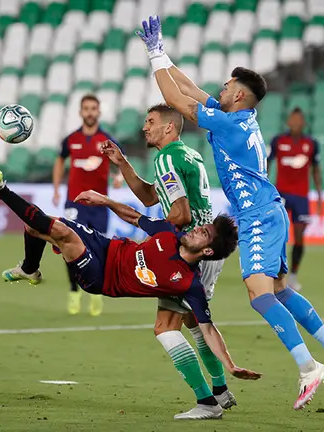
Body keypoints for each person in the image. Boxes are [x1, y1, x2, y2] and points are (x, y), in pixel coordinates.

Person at [136, 15, 324, 410]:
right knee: (281, 290)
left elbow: (175, 100)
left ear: (238, 95)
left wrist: (152, 57)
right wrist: (162, 54)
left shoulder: (229, 125)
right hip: (271, 211)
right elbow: (188, 88)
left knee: (259, 294)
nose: (220, 89)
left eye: (226, 86)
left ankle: (308, 367)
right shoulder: (240, 119)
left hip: (256, 215)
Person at [0, 169, 261, 420]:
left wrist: (231, 365)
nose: (197, 228)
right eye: (202, 226)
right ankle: (29, 269)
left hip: (100, 277)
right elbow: (135, 218)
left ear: (207, 250)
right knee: (37, 225)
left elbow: (208, 328)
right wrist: (105, 200)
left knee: (61, 233)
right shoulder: (167, 233)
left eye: (204, 233)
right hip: (104, 246)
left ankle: (1, 190)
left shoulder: (188, 283)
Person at [100, 103, 235, 419]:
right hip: (206, 250)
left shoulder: (165, 158)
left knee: (165, 327)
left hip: (188, 253)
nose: (145, 127)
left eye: (151, 121)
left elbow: (180, 214)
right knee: (193, 322)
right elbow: (151, 196)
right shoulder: (188, 155)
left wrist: (156, 237)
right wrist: (123, 163)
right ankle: (220, 388)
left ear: (169, 127)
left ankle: (207, 403)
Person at [1, 94, 124, 317]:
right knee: (68, 246)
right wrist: (57, 188)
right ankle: (73, 290)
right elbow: (60, 161)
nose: (89, 112)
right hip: (74, 203)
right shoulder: (71, 139)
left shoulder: (107, 140)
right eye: (86, 108)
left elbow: (119, 163)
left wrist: (118, 176)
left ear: (98, 112)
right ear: (80, 112)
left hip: (99, 203)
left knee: (99, 250)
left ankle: (95, 293)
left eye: (93, 108)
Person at [268, 107, 324, 291]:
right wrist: (265, 188)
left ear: (304, 123)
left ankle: (293, 275)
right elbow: (267, 162)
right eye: (293, 119)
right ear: (288, 122)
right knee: (278, 234)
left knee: (299, 237)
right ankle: (274, 272)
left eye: (299, 119)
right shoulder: (278, 141)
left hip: (301, 197)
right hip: (281, 194)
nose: (296, 122)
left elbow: (316, 170)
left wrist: (320, 197)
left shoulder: (311, 144)